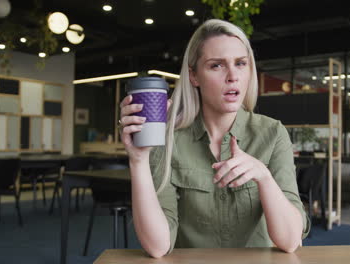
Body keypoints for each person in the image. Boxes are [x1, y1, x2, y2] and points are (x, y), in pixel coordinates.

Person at [119, 19, 310, 258]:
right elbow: (158, 246)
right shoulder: (169, 139)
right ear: (194, 76)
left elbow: (291, 241)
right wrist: (138, 160)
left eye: (240, 63)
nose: (232, 76)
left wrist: (263, 176)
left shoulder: (272, 133)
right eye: (216, 65)